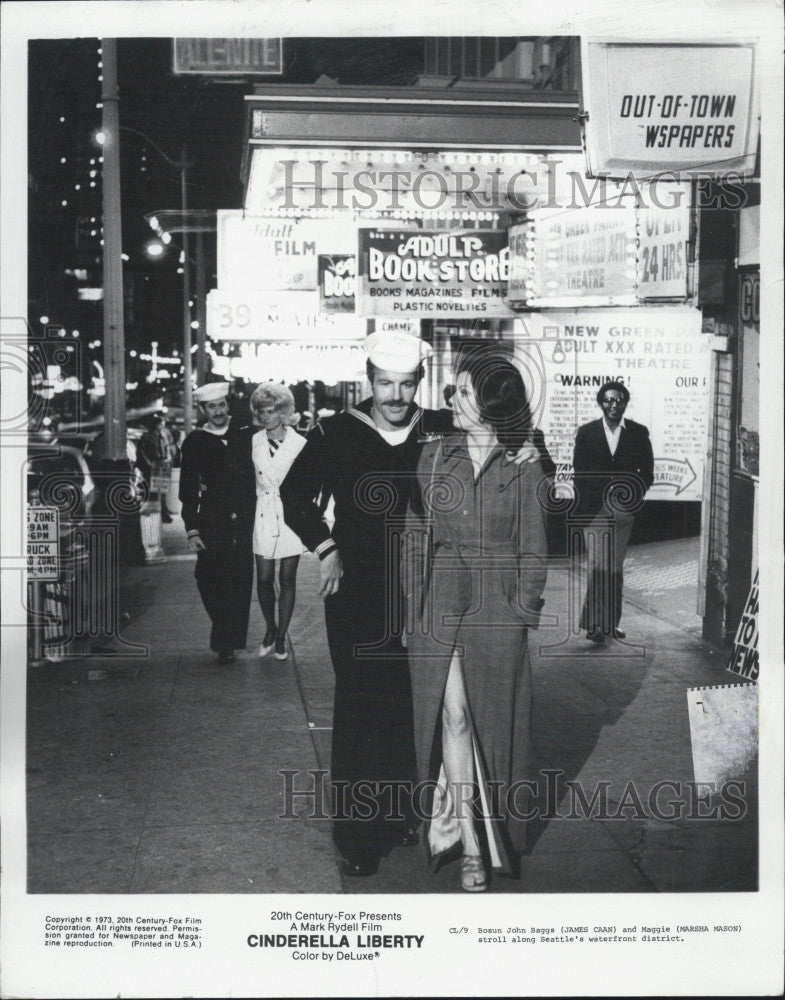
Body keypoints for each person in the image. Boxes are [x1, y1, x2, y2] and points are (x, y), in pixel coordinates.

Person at [281, 332, 539, 878]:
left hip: (427, 588)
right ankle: (357, 836)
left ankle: (403, 816)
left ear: (420, 383)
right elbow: (294, 496)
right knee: (359, 702)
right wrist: (325, 548)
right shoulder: (334, 432)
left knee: (413, 705)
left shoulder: (440, 429)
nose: (395, 396)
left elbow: (504, 442)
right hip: (358, 588)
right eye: (384, 384)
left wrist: (531, 450)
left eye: (405, 384)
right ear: (368, 380)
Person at [404, 355, 548, 891]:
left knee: (496, 723)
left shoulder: (526, 463)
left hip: (498, 607)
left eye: (464, 393)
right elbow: (414, 536)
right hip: (440, 600)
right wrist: (411, 609)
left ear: (491, 404)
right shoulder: (435, 456)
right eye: (454, 391)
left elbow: (535, 546)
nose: (453, 401)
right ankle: (468, 845)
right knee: (455, 719)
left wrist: (523, 609)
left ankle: (498, 832)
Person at [179, 382, 256, 665]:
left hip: (248, 517)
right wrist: (192, 528)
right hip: (213, 518)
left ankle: (227, 642)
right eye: (212, 406)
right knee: (208, 577)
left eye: (222, 405)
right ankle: (224, 629)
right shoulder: (195, 441)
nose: (218, 411)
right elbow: (187, 489)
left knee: (239, 580)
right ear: (203, 410)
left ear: (228, 405)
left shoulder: (247, 433)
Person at [572, 380, 654, 643]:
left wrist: (631, 498)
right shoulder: (586, 432)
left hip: (622, 512)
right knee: (598, 567)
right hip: (594, 510)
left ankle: (609, 624)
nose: (613, 405)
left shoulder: (639, 433)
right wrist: (589, 501)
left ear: (625, 403)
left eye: (618, 400)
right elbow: (579, 473)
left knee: (614, 569)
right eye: (608, 400)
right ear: (601, 403)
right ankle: (594, 625)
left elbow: (647, 473)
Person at [249, 382, 307, 661]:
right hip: (263, 512)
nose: (264, 417)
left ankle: (281, 636)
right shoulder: (254, 440)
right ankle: (270, 628)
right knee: (263, 577)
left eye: (270, 411)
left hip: (291, 515)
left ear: (284, 412)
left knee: (286, 577)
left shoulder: (300, 443)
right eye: (261, 411)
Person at [136, 413, 175, 522]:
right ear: (155, 425)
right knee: (151, 492)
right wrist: (148, 463)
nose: (163, 425)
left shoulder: (163, 436)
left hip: (161, 466)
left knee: (161, 491)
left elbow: (167, 449)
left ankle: (163, 513)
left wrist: (167, 458)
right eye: (161, 423)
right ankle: (154, 514)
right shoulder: (146, 436)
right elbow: (141, 452)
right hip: (151, 467)